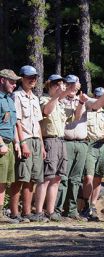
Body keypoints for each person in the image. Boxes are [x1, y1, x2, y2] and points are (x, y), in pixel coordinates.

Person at [55, 75, 104, 220]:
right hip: (66, 142)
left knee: (76, 179)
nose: (73, 87)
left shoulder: (83, 99)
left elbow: (97, 104)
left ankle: (72, 211)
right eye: (70, 84)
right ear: (66, 85)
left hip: (82, 143)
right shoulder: (60, 99)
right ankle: (58, 209)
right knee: (63, 178)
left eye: (75, 84)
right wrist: (74, 97)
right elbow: (76, 116)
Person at [10, 65, 46, 223]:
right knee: (20, 177)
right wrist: (23, 143)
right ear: (22, 78)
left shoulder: (35, 98)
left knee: (32, 178)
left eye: (35, 77)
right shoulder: (16, 96)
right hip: (24, 139)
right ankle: (14, 212)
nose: (33, 80)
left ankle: (26, 212)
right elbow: (17, 123)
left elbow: (37, 124)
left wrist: (42, 145)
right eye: (29, 77)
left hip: (36, 140)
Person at [33, 74, 71, 222]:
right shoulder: (43, 99)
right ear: (49, 86)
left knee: (57, 178)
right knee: (46, 178)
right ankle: (38, 212)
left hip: (61, 140)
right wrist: (58, 96)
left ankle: (50, 211)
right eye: (56, 84)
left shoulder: (60, 103)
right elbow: (46, 112)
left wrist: (64, 94)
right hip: (49, 140)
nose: (59, 87)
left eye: (61, 84)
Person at [81, 87, 104, 221]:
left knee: (98, 178)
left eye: (102, 97)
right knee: (88, 177)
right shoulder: (88, 109)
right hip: (90, 145)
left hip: (103, 145)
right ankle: (85, 205)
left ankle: (93, 205)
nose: (100, 99)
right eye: (98, 96)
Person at [0, 69, 21, 224]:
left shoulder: (9, 100)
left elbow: (12, 124)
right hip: (1, 144)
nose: (14, 85)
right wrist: (0, 143)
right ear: (2, 80)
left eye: (15, 82)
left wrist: (17, 144)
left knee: (4, 181)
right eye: (11, 81)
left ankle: (1, 212)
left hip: (9, 144)